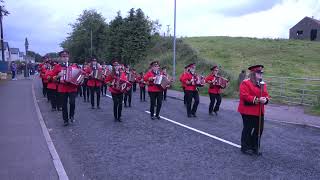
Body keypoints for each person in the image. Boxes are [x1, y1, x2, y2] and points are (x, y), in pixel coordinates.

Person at [238, 65, 269, 155]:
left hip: (259, 110)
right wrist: (258, 99)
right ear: (253, 74)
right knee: (248, 129)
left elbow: (266, 94)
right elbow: (244, 95)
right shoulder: (246, 83)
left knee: (259, 130)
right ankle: (245, 147)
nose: (260, 75)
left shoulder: (262, 83)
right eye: (258, 73)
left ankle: (255, 147)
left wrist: (266, 99)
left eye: (261, 73)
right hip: (247, 110)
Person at [51, 50, 79, 126]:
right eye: (63, 56)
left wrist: (79, 80)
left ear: (68, 57)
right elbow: (52, 78)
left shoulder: (73, 66)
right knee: (64, 105)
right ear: (60, 58)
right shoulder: (57, 67)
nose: (65, 58)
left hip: (72, 88)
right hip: (62, 88)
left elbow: (79, 75)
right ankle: (65, 120)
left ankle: (71, 115)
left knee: (72, 102)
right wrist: (58, 76)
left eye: (66, 56)